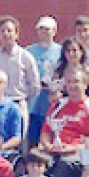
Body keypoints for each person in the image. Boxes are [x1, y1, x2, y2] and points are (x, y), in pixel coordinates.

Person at [0, 15, 41, 138]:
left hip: (18, 103)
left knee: (20, 142)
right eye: (2, 31)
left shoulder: (26, 57)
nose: (6, 34)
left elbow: (35, 86)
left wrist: (24, 102)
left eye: (9, 30)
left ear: (16, 34)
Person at [26, 16, 63, 148]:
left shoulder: (60, 51)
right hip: (34, 100)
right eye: (41, 29)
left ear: (54, 31)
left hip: (51, 100)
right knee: (32, 137)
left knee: (52, 136)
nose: (44, 32)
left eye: (48, 29)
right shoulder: (29, 51)